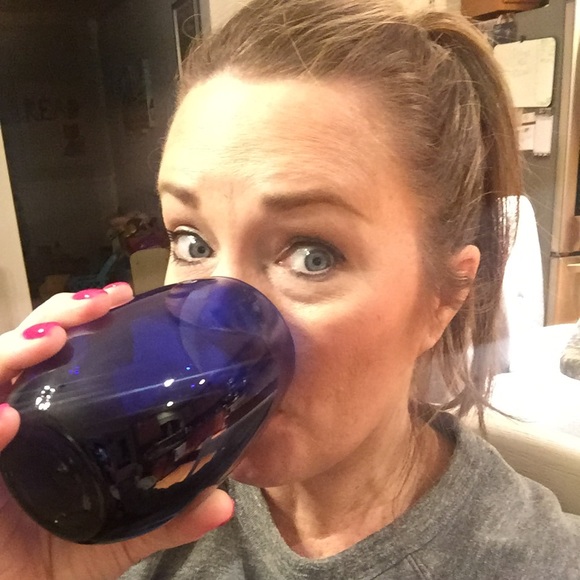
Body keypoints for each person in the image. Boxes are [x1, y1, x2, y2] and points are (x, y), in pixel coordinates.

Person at [0, 0, 579, 578]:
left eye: (311, 256)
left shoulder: (540, 563)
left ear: (443, 298)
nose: (210, 328)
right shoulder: (120, 514)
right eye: (193, 243)